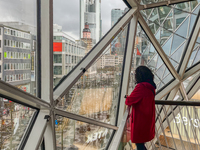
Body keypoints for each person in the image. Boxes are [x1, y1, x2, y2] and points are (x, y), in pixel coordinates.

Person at [125, 66, 156, 150]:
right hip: (147, 120)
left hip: (140, 122)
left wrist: (127, 97)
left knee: (139, 146)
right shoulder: (151, 87)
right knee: (141, 145)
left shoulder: (141, 87)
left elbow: (129, 101)